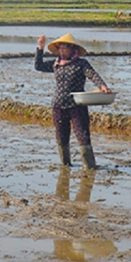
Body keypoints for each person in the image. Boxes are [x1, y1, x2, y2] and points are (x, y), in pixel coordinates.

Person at [35, 33, 111, 169]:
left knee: (82, 135)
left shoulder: (81, 64)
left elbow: (92, 75)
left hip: (77, 104)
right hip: (58, 104)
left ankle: (89, 166)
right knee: (61, 136)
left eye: (64, 48)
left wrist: (102, 86)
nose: (62, 51)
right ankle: (65, 165)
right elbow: (38, 66)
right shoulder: (56, 64)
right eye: (59, 48)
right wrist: (40, 47)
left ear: (72, 49)